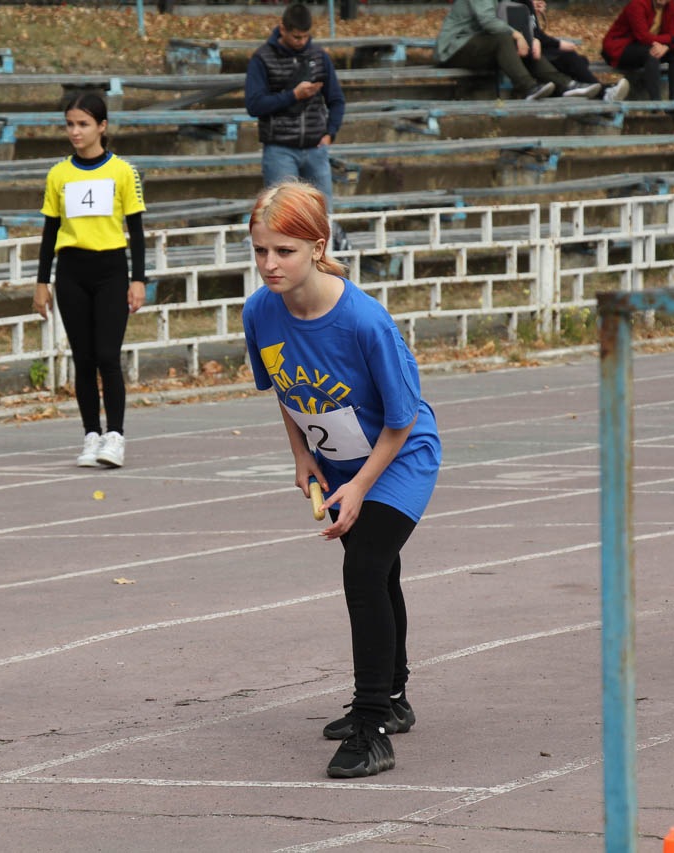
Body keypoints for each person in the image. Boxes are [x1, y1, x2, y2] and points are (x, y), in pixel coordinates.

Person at [241, 179, 441, 779]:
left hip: (398, 457)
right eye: (260, 250)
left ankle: (372, 726)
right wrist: (301, 454)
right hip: (336, 461)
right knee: (379, 571)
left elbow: (402, 419)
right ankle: (395, 698)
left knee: (363, 569)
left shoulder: (364, 321)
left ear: (318, 246)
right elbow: (283, 387)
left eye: (284, 251)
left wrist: (360, 486)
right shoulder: (260, 311)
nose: (270, 264)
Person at [31, 91, 146, 469]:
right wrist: (42, 282)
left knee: (107, 356)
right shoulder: (59, 174)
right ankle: (90, 435)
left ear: (102, 126)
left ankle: (115, 436)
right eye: (69, 124)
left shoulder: (123, 172)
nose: (75, 131)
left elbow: (136, 230)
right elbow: (50, 231)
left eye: (83, 124)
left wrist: (138, 279)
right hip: (71, 271)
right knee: (83, 358)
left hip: (111, 269)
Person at [244, 3, 347, 247]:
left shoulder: (319, 57)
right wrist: (293, 96)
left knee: (322, 217)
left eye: (306, 36)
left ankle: (323, 264)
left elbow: (336, 100)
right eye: (296, 37)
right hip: (279, 149)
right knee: (281, 218)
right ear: (283, 29)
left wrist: (330, 133)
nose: (301, 42)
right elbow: (254, 105)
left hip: (315, 148)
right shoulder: (262, 58)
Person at [435, 0, 595, 100]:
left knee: (520, 43)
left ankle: (566, 84)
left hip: (481, 46)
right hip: (454, 48)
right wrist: (518, 36)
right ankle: (528, 87)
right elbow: (488, 22)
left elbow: (512, 18)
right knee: (506, 39)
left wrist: (531, 39)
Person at [511, 0, 631, 101]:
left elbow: (535, 32)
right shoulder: (514, 4)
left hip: (538, 50)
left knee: (578, 61)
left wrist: (534, 14)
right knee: (571, 59)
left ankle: (601, 92)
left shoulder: (528, 4)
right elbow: (531, 35)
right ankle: (605, 92)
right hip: (528, 54)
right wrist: (558, 44)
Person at [601, 0, 674, 101]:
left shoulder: (670, 5)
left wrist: (666, 46)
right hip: (619, 48)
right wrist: (671, 40)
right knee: (651, 53)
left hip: (648, 46)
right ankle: (656, 102)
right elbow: (643, 36)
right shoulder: (637, 4)